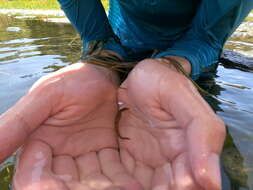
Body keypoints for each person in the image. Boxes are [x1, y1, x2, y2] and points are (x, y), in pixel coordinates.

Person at [0, 0, 252, 190]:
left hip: (192, 56)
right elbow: (93, 31)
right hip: (116, 45)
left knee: (219, 161)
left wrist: (171, 66)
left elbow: (206, 38)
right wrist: (102, 58)